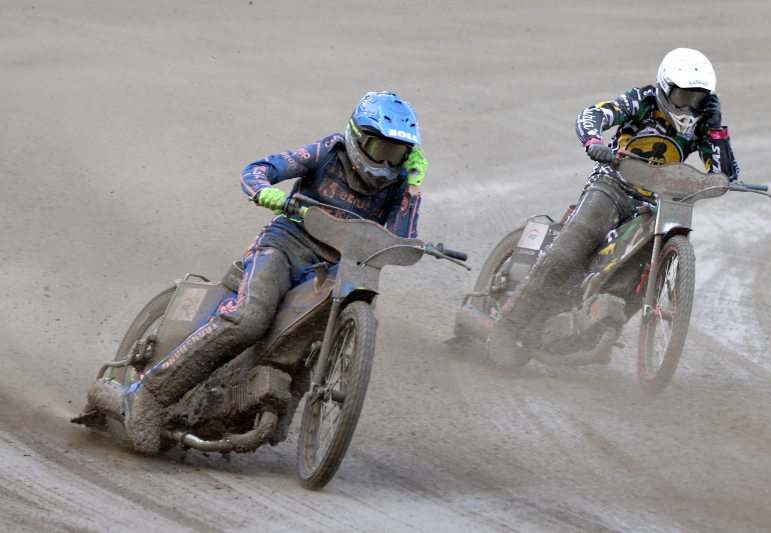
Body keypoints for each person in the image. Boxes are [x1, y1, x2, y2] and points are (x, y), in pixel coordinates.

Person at [124, 91, 428, 454]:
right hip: (286, 247)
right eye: (380, 149)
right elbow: (258, 170)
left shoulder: (398, 185)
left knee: (309, 346)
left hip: (338, 268)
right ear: (357, 138)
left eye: (397, 154)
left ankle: (253, 407)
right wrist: (267, 193)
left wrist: (413, 184)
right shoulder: (326, 152)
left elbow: (400, 241)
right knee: (250, 319)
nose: (386, 161)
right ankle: (150, 395)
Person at [488, 48, 739, 363]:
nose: (690, 105)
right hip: (611, 187)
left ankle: (590, 327)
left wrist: (716, 128)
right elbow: (593, 115)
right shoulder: (642, 100)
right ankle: (507, 328)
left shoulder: (704, 126)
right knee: (570, 251)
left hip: (654, 205)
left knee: (641, 276)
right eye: (683, 94)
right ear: (664, 87)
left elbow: (725, 176)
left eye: (699, 97)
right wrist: (594, 143)